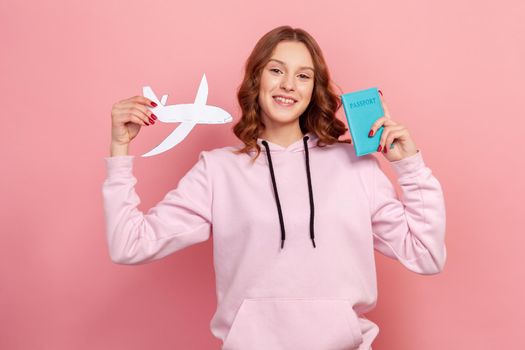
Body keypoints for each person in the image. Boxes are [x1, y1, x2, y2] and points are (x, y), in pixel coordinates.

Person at [102, 25, 446, 350]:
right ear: (257, 78)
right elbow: (129, 245)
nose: (289, 85)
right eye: (276, 70)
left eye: (303, 76)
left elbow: (426, 254)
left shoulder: (356, 167)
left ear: (314, 89)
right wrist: (120, 149)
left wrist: (409, 165)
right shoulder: (218, 170)